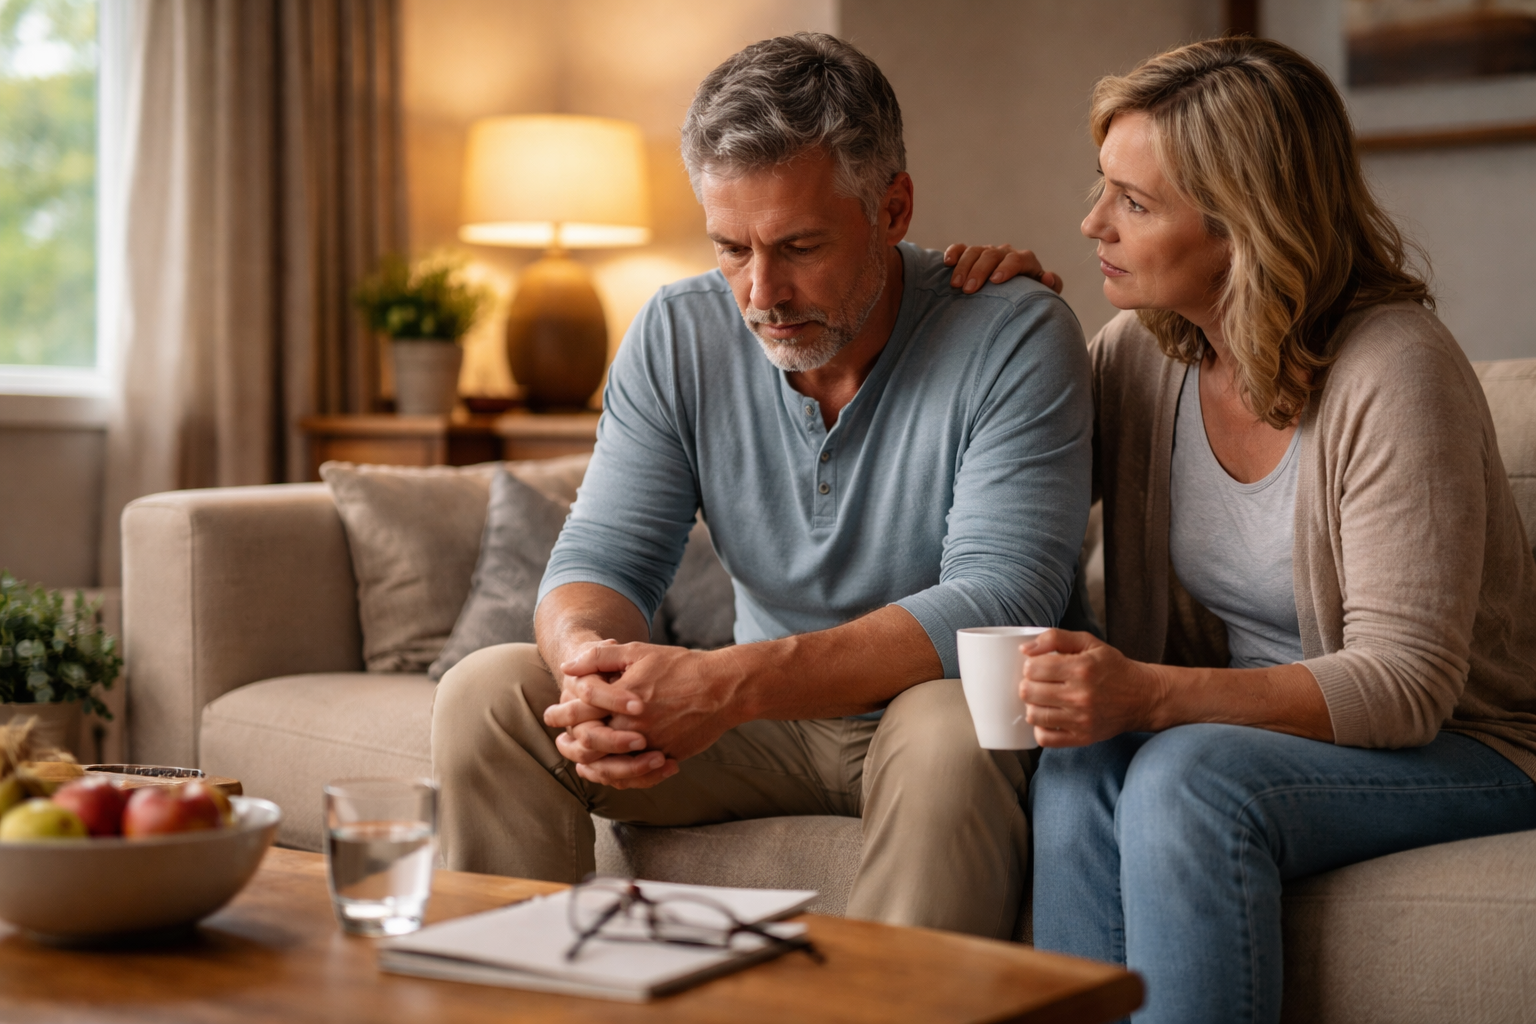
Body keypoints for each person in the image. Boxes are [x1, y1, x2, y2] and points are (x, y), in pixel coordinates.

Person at [430, 32, 1093, 940]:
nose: (760, 294)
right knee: (489, 692)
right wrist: (590, 666)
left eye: (799, 246)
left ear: (892, 209)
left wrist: (727, 685)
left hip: (917, 710)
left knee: (953, 726)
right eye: (730, 248)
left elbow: (1001, 600)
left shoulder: (1013, 335)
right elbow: (604, 556)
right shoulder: (676, 332)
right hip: (756, 733)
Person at [953, 35, 1536, 1023]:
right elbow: (989, 481)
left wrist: (1146, 693)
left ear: (1244, 228)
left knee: (1187, 772)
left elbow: (1405, 686)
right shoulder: (1139, 356)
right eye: (1104, 187)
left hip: (1469, 745)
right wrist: (990, 325)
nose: (1092, 221)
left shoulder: (1397, 370)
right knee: (1080, 758)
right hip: (1252, 729)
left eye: (1133, 204)